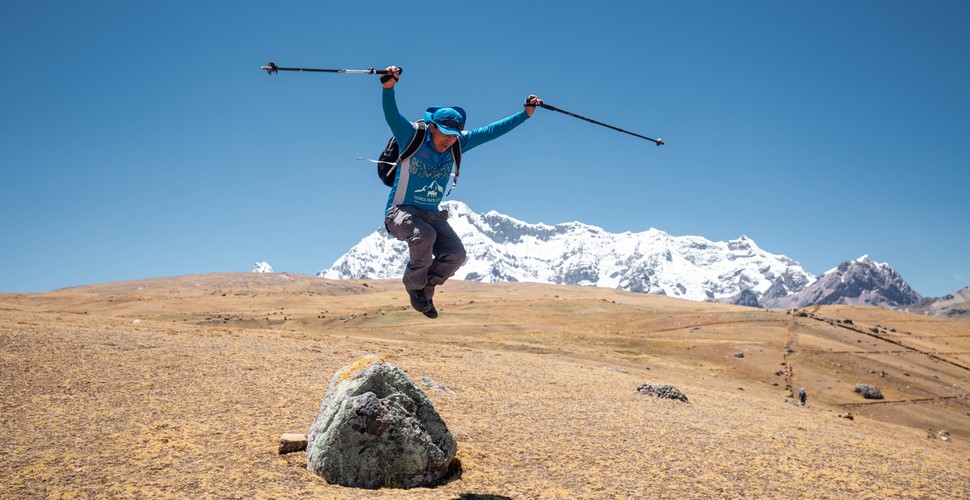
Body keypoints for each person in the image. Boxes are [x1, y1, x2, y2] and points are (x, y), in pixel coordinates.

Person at [379, 66, 541, 318]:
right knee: (425, 236)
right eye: (445, 134)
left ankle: (426, 289)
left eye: (454, 136)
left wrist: (525, 114)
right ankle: (413, 286)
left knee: (456, 254)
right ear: (432, 127)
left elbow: (491, 131)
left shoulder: (458, 144)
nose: (449, 140)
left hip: (431, 213)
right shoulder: (411, 136)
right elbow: (392, 115)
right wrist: (388, 89)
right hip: (400, 212)